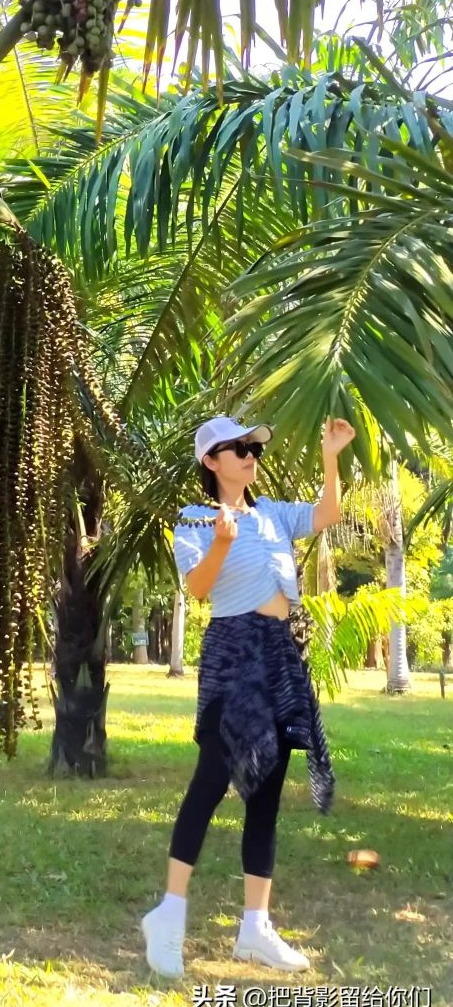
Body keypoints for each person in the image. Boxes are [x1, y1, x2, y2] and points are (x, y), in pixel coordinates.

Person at [140, 411, 356, 980]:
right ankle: (169, 914)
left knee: (266, 791)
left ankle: (254, 928)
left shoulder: (273, 514)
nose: (249, 456)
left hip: (282, 653)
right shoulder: (194, 518)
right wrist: (218, 544)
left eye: (253, 447)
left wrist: (331, 456)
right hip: (234, 650)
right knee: (211, 781)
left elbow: (327, 513)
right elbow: (198, 587)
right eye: (237, 449)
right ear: (211, 462)